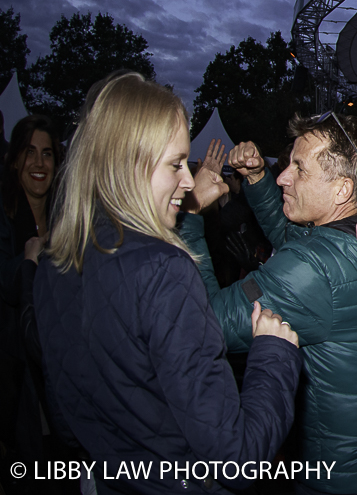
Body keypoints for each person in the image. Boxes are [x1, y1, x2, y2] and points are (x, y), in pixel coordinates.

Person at [34, 72, 302, 493]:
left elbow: (67, 416)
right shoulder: (164, 269)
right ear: (128, 164)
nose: (186, 180)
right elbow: (237, 458)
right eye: (175, 164)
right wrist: (274, 354)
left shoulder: (53, 260)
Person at [201, 115, 357, 495]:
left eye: (298, 169)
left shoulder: (312, 268)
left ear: (341, 189)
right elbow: (294, 236)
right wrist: (257, 180)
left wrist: (189, 215)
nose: (283, 176)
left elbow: (199, 322)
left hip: (342, 475)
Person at [0, 115, 63, 476]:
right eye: (30, 153)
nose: (39, 164)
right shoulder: (4, 215)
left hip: (58, 366)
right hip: (16, 373)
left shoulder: (67, 218)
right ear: (14, 160)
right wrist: (29, 262)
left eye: (48, 154)